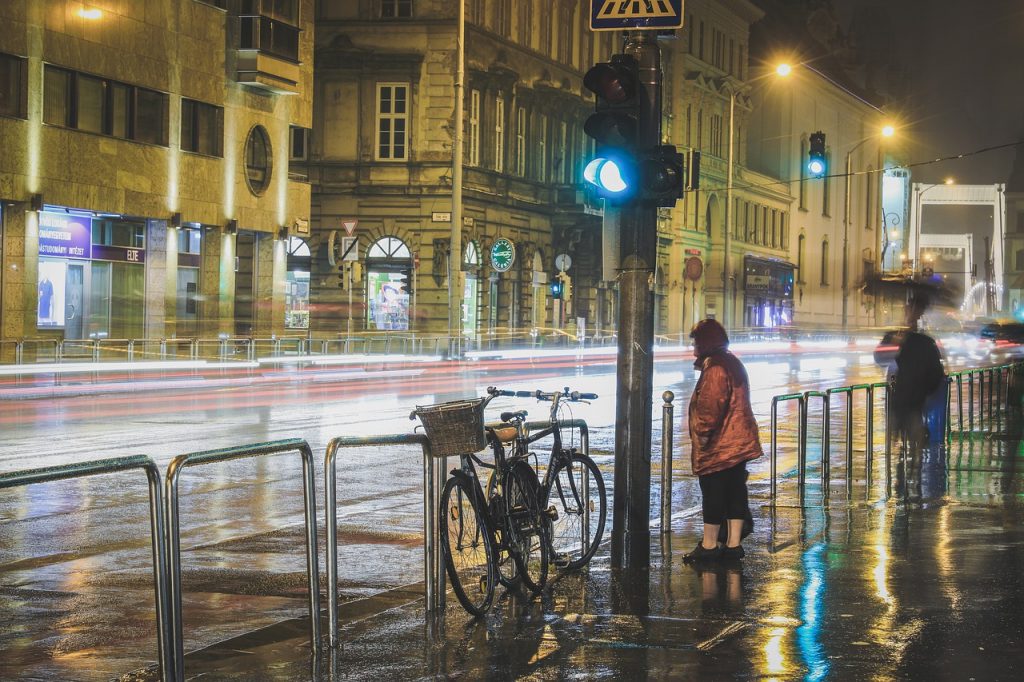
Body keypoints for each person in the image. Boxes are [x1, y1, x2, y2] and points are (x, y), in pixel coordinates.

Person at [683, 319, 763, 563]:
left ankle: (709, 546)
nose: (694, 349)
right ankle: (733, 545)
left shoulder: (715, 368)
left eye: (696, 343)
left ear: (705, 342)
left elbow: (709, 410)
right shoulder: (732, 362)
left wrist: (701, 434)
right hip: (739, 441)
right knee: (735, 491)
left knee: (714, 493)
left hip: (720, 445)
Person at [890, 294, 946, 452]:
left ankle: (909, 460)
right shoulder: (919, 341)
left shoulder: (921, 342)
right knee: (908, 438)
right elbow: (937, 373)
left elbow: (935, 372)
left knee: (906, 437)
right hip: (908, 399)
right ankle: (911, 459)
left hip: (908, 400)